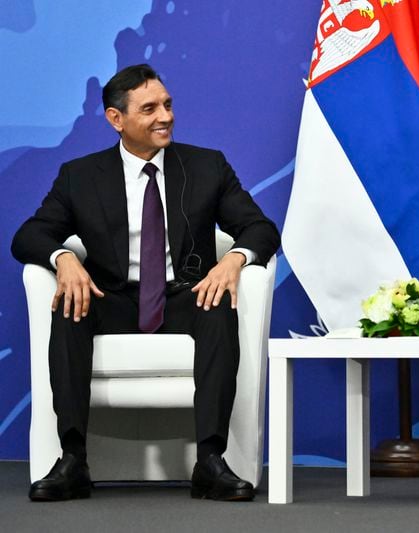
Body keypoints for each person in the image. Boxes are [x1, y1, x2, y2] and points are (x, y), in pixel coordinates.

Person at [11, 64, 281, 502]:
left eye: (169, 105)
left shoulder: (206, 166)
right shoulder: (80, 176)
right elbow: (29, 236)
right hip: (112, 297)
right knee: (68, 304)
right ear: (116, 120)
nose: (166, 117)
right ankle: (73, 460)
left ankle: (210, 461)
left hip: (183, 295)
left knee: (217, 306)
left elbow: (261, 229)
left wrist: (234, 258)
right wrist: (63, 259)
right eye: (150, 108)